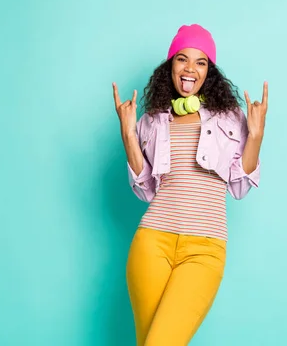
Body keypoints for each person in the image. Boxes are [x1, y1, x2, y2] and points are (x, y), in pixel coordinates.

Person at [112, 24, 268, 345]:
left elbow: (239, 187)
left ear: (209, 72)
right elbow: (145, 190)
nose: (190, 69)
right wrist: (128, 134)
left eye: (200, 62)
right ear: (170, 66)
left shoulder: (230, 119)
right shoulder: (152, 120)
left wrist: (256, 136)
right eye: (182, 59)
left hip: (205, 249)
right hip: (152, 242)